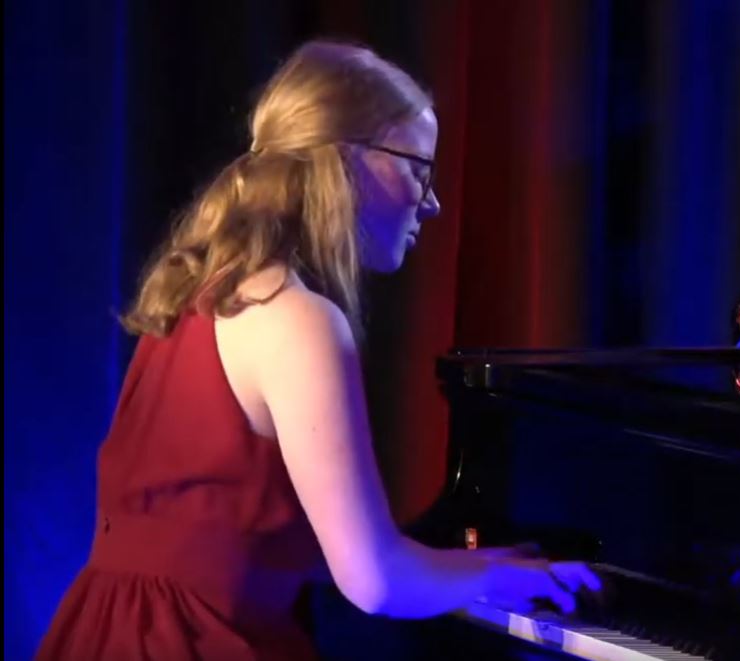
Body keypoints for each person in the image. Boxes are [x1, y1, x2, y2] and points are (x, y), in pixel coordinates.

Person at [36, 40, 599, 660]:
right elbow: (376, 582)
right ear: (348, 161)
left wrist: (474, 563)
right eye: (419, 170)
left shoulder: (197, 290)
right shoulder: (297, 318)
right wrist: (498, 578)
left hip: (109, 630)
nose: (433, 202)